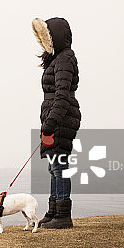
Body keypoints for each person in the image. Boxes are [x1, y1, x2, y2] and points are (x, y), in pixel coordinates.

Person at [32, 17, 80, 229]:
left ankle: (62, 215)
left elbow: (62, 96)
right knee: (54, 165)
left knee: (60, 165)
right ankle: (53, 211)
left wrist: (50, 123)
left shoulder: (65, 59)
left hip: (61, 116)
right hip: (56, 116)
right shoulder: (58, 58)